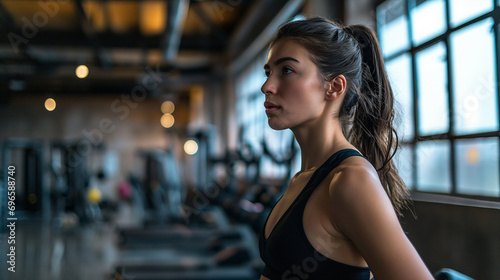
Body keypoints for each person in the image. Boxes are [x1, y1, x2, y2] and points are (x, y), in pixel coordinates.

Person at [259, 17, 434, 280]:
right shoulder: (305, 178)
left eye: (286, 71)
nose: (267, 86)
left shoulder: (350, 180)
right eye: (267, 72)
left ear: (335, 87)